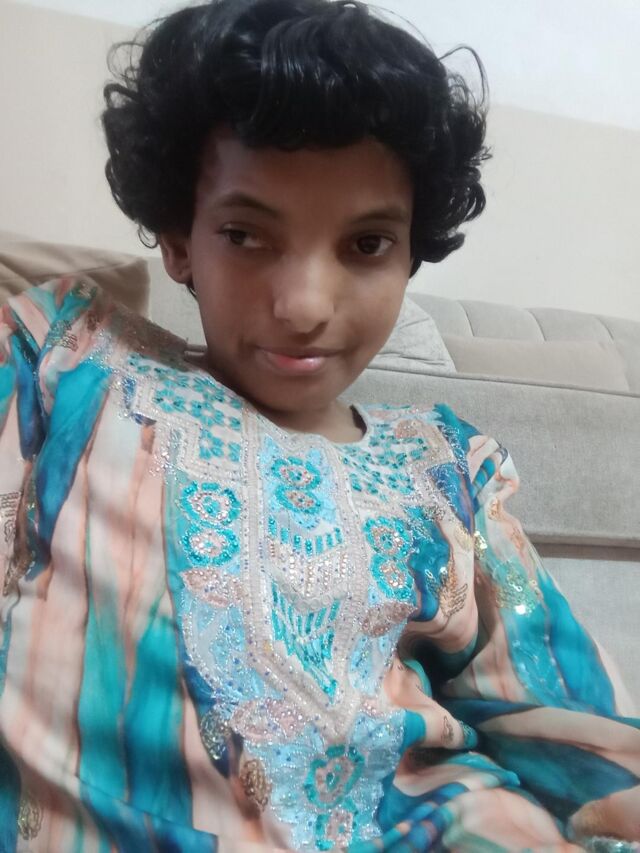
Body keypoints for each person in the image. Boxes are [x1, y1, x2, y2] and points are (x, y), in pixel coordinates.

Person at [0, 0, 638, 850]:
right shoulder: (65, 360)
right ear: (179, 240)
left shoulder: (451, 469)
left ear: (412, 253)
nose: (304, 305)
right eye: (245, 235)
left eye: (367, 245)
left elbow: (563, 713)